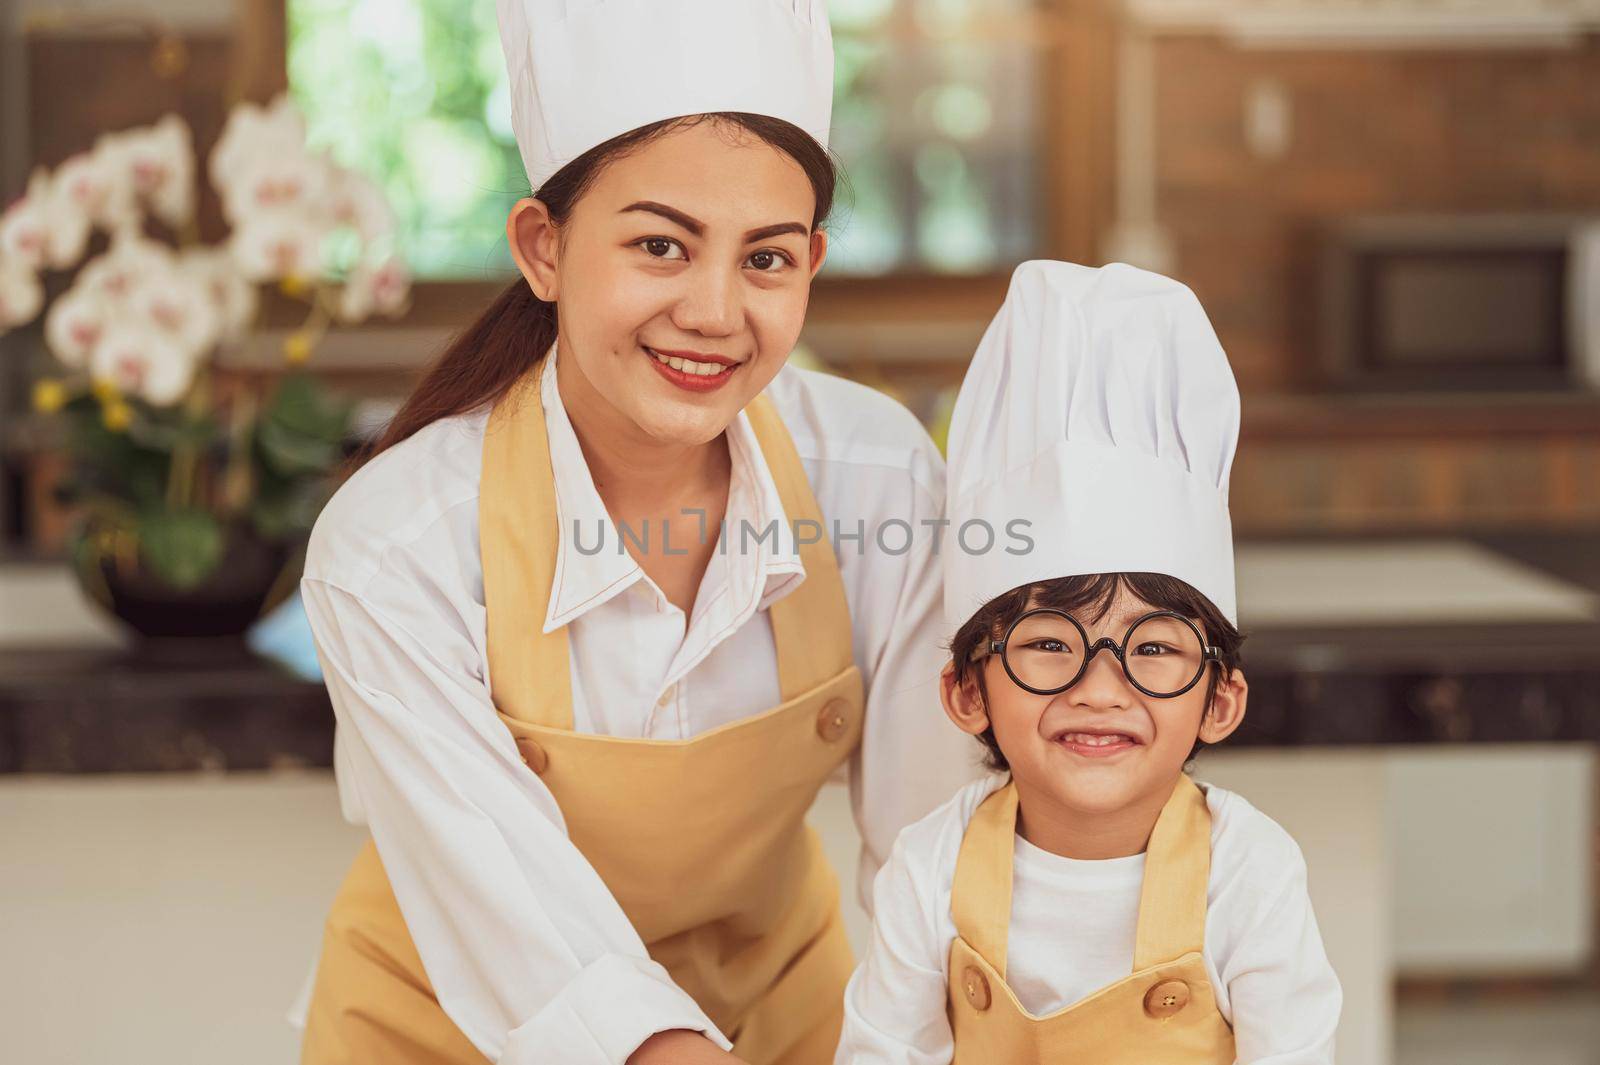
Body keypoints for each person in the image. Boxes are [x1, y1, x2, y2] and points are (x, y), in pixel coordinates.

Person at [290, 1, 975, 1062]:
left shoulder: (877, 482)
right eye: (661, 245)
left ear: (813, 265)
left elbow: (935, 849)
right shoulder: (394, 544)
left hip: (783, 1019)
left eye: (765, 260)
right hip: (453, 1031)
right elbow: (514, 921)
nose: (713, 311)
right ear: (544, 246)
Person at [833, 261, 1342, 1063]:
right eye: (1047, 644)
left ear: (1220, 700)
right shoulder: (930, 868)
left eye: (1153, 649)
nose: (1101, 689)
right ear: (968, 691)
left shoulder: (1247, 871)